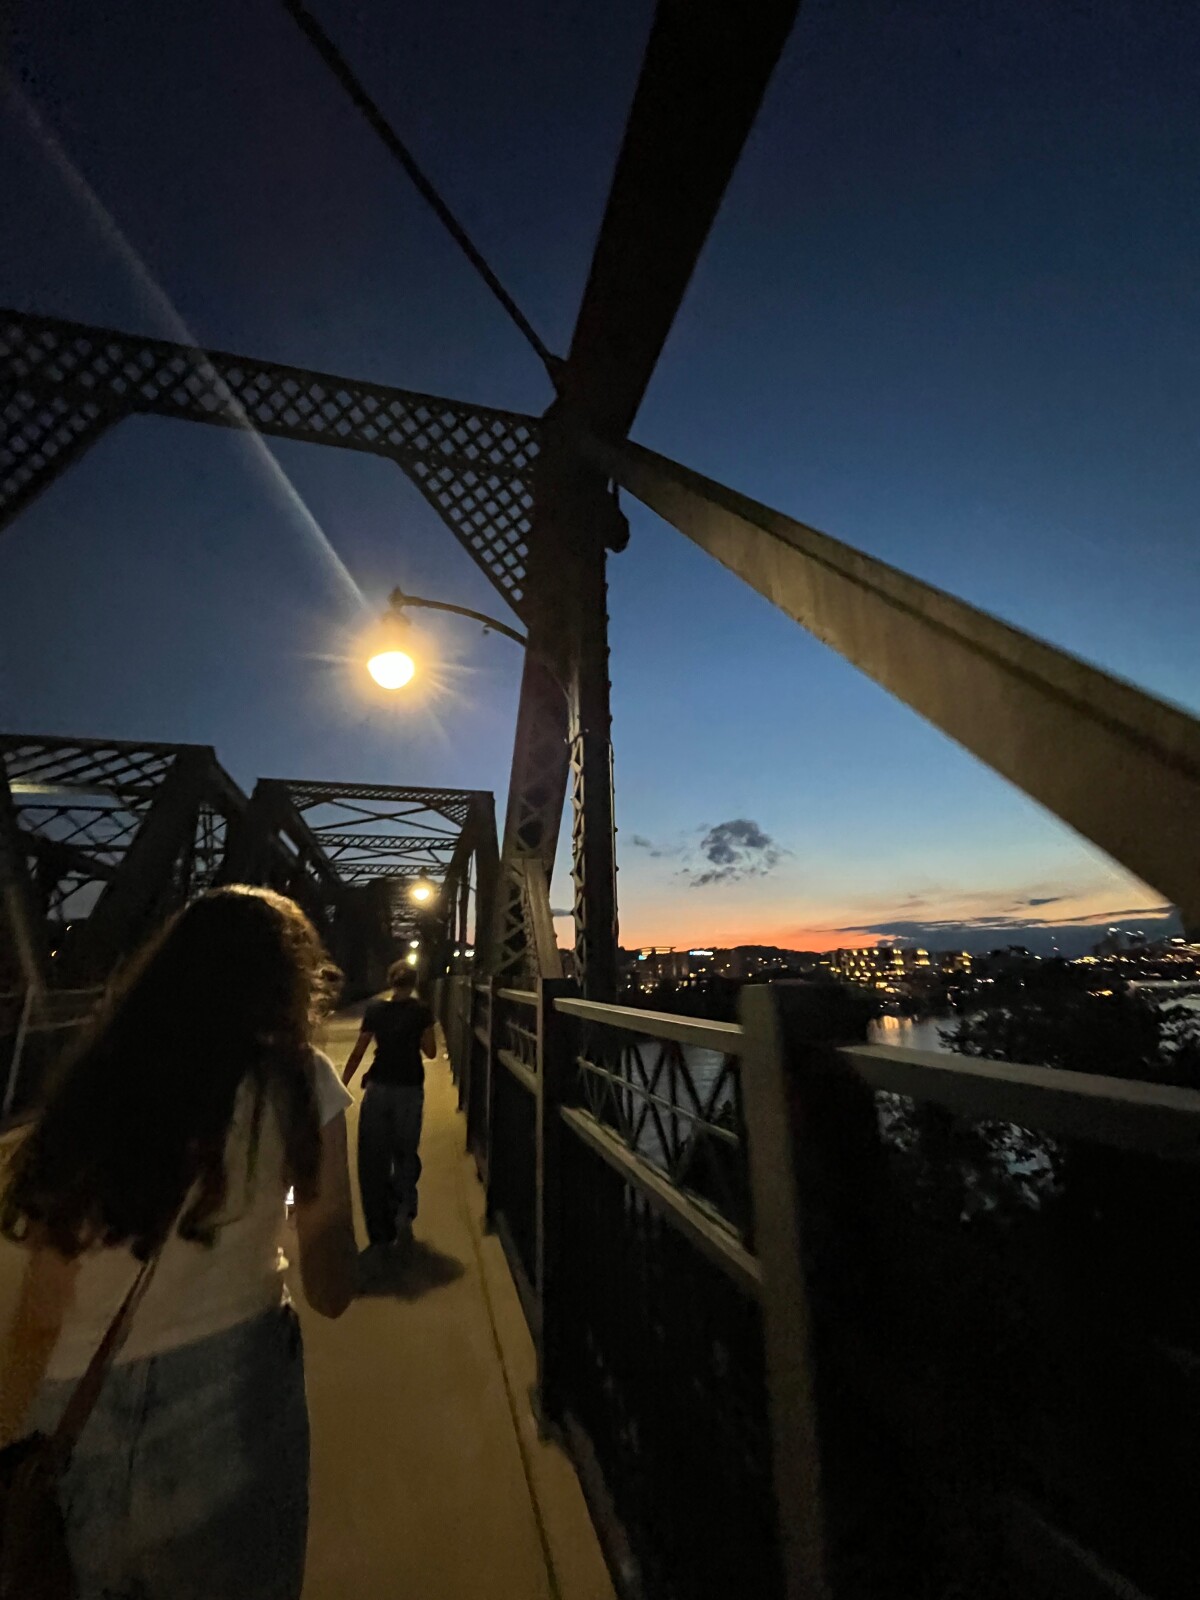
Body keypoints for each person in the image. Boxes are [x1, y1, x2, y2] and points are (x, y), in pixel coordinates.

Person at [0, 886, 358, 1600]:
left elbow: (40, 1310)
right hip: (234, 1398)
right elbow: (331, 1290)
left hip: (76, 1417)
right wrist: (291, 1205)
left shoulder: (96, 1083)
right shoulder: (299, 1080)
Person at [341, 961, 436, 1253]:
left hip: (379, 1087)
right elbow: (431, 1051)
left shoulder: (375, 1010)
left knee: (374, 1157)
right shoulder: (421, 1011)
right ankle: (404, 1212)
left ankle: (379, 1227)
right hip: (409, 1087)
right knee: (405, 1153)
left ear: (390, 981)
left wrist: (343, 1082)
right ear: (414, 982)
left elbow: (359, 1051)